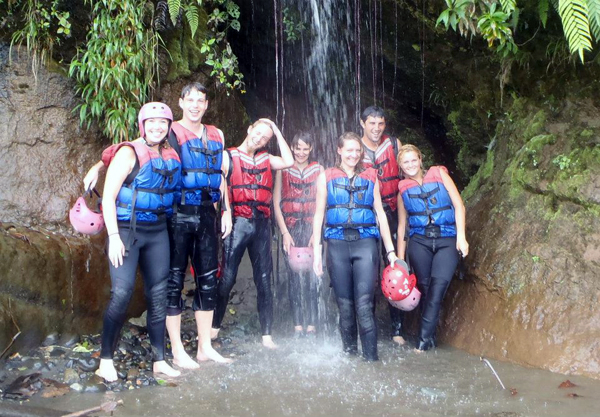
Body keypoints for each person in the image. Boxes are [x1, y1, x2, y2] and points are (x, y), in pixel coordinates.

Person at [85, 83, 232, 369]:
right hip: (148, 224)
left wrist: (224, 209)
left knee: (183, 286)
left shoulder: (189, 146)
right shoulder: (147, 144)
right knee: (136, 290)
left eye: (200, 100)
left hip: (184, 221)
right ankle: (118, 358)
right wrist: (96, 168)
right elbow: (117, 163)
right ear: (180, 102)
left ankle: (181, 353)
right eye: (190, 100)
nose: (195, 105)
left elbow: (216, 172)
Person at [96, 102, 181, 382]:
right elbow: (108, 197)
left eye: (163, 122)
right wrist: (114, 237)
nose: (157, 127)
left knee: (159, 296)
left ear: (169, 126)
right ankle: (105, 359)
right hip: (126, 231)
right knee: (121, 294)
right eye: (152, 122)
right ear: (142, 125)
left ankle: (159, 359)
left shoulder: (170, 153)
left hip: (157, 232)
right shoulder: (128, 153)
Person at [312, 132, 398, 361]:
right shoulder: (326, 176)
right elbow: (319, 215)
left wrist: (390, 252)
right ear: (339, 150)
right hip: (337, 246)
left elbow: (379, 213)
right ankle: (349, 357)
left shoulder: (371, 176)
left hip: (365, 245)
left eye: (357, 151)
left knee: (363, 306)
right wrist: (316, 254)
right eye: (348, 150)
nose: (353, 154)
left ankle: (371, 360)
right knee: (345, 307)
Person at [211, 119, 294, 349]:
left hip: (261, 225)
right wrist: (225, 213)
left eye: (265, 137)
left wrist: (276, 130)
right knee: (227, 277)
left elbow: (289, 161)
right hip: (238, 221)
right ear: (249, 129)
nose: (260, 139)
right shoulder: (229, 155)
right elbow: (220, 185)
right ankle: (213, 327)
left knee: (265, 279)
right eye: (258, 133)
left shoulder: (267, 158)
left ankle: (266, 334)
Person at [395, 144, 469, 351]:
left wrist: (461, 238)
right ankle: (431, 338)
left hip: (446, 239)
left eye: (413, 160)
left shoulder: (440, 174)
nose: (410, 165)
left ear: (420, 160)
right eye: (405, 162)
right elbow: (402, 227)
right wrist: (401, 262)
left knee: (437, 289)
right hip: (420, 243)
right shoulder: (402, 189)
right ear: (400, 166)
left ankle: (421, 343)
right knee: (426, 291)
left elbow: (458, 205)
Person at [359, 106, 405, 346]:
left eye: (380, 124)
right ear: (362, 123)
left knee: (395, 266)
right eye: (371, 123)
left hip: (392, 212)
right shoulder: (353, 148)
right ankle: (369, 326)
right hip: (366, 215)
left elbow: (407, 173)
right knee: (369, 271)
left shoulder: (395, 145)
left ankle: (397, 328)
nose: (376, 129)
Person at [273, 131, 323, 337]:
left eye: (305, 148)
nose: (301, 152)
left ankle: (312, 323)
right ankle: (297, 324)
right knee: (293, 277)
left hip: (311, 229)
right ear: (292, 148)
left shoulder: (319, 169)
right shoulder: (283, 169)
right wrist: (284, 232)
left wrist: (316, 234)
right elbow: (276, 203)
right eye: (298, 148)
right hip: (291, 228)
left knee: (313, 276)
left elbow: (322, 204)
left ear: (311, 149)